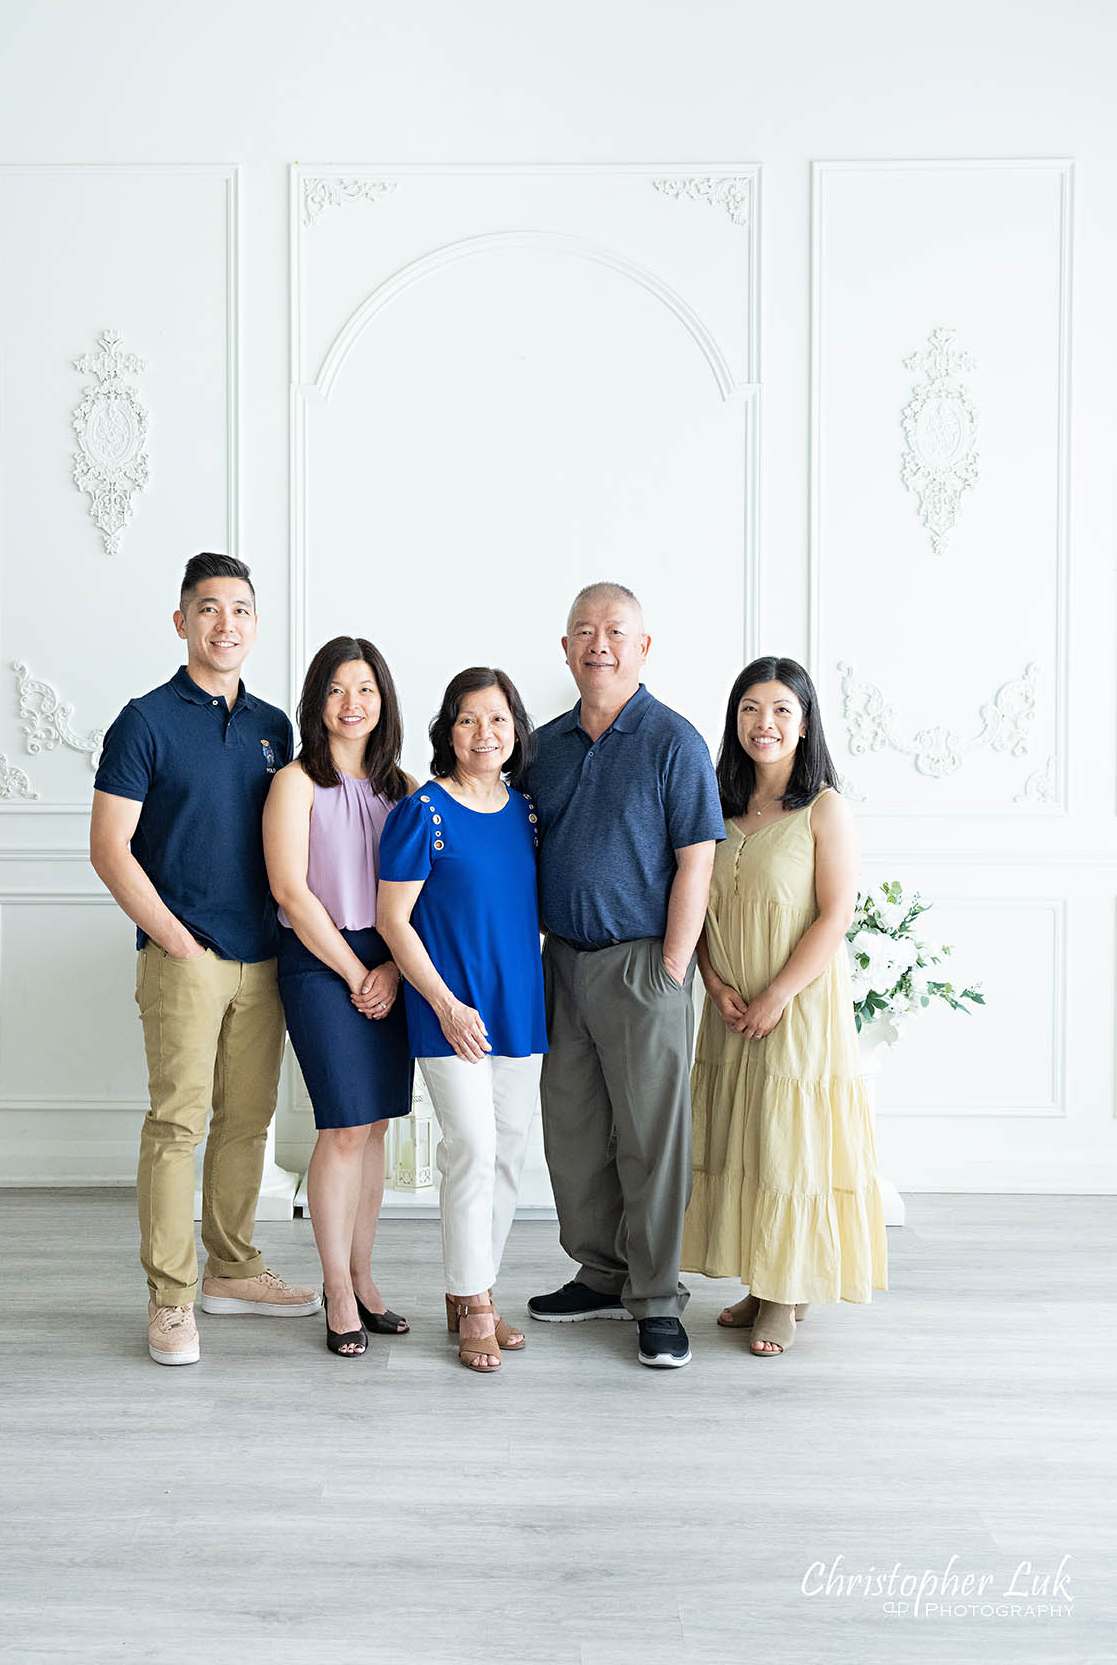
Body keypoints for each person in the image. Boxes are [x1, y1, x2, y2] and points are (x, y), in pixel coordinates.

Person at [90, 552, 319, 1367]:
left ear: (256, 624)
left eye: (243, 609)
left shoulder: (273, 728)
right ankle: (171, 1299)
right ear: (181, 620)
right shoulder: (144, 721)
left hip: (266, 956)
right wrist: (175, 937)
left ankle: (233, 1271)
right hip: (184, 955)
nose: (228, 623)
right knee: (177, 1125)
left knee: (247, 1124)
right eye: (211, 608)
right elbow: (110, 848)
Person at [526, 582, 724, 1370]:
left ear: (643, 648)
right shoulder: (540, 746)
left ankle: (655, 1298)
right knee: (573, 1134)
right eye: (583, 631)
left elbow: (696, 863)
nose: (597, 643)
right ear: (565, 649)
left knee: (651, 1140)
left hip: (645, 965)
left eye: (614, 631)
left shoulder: (674, 741)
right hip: (562, 965)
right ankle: (601, 1273)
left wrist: (673, 969)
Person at [681, 656, 887, 1354]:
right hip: (729, 1005)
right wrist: (714, 983)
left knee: (786, 1144)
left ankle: (785, 1293)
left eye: (780, 711)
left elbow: (836, 915)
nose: (763, 724)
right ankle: (762, 1278)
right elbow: (694, 906)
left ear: (804, 726)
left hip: (795, 1006)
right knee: (745, 1139)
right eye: (749, 709)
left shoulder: (825, 808)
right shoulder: (715, 802)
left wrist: (775, 995)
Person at [377, 668, 547, 1373]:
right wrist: (446, 1004)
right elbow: (393, 919)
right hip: (450, 1010)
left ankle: (477, 1287)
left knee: (509, 1152)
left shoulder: (528, 813)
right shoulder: (424, 812)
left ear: (516, 731)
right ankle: (472, 1299)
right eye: (471, 719)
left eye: (499, 720)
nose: (486, 734)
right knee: (472, 1147)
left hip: (520, 1005)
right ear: (448, 728)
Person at [263, 636, 414, 1358]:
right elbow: (290, 889)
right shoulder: (295, 782)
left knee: (378, 1127)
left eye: (365, 690)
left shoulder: (405, 789)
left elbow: (421, 898)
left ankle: (363, 1273)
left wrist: (388, 968)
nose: (351, 704)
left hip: (391, 962)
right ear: (316, 701)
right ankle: (337, 1288)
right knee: (343, 1128)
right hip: (320, 963)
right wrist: (357, 974)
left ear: (383, 701)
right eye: (336, 690)